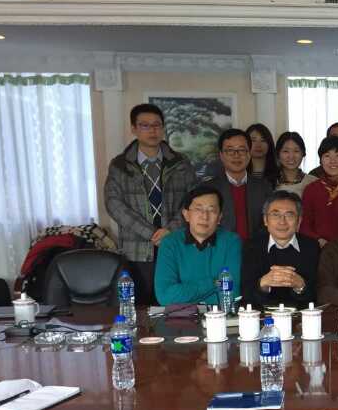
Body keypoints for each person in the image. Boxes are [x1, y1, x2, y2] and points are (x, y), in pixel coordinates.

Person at [104, 103, 197, 304]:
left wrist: (170, 230)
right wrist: (151, 233)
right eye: (145, 125)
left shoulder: (180, 163)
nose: (152, 130)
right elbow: (114, 204)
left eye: (156, 125)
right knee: (139, 308)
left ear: (162, 128)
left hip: (174, 245)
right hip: (136, 251)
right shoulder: (120, 165)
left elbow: (193, 200)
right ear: (134, 129)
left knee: (174, 305)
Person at [154, 184, 242, 306]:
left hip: (220, 315)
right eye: (198, 209)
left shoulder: (231, 242)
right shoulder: (170, 243)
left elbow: (232, 295)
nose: (205, 216)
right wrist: (214, 283)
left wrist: (186, 295)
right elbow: (165, 297)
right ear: (186, 214)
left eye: (212, 210)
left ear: (219, 217)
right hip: (180, 317)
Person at [242, 190, 319, 308]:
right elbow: (245, 295)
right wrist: (263, 284)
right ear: (265, 220)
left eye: (289, 215)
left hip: (300, 316)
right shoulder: (251, 246)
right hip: (262, 315)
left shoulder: (311, 247)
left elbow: (317, 294)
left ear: (299, 221)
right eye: (275, 215)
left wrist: (300, 286)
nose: (282, 222)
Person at [203, 128, 273, 243]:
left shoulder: (264, 187)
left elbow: (269, 223)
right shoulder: (207, 189)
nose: (236, 155)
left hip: (256, 249)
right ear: (221, 155)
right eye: (230, 150)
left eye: (242, 150)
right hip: (221, 250)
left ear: (249, 154)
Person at [275, 131, 317, 197]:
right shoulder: (270, 182)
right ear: (278, 154)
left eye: (296, 151)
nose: (291, 156)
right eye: (286, 151)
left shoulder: (314, 183)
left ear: (303, 154)